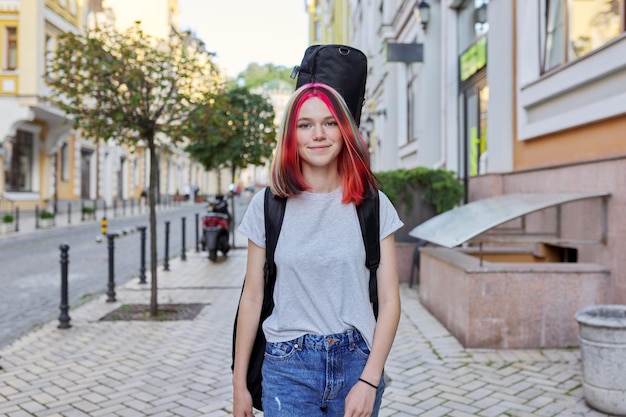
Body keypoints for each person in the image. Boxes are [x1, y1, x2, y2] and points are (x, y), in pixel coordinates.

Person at [233, 83, 403, 417]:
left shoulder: (373, 205)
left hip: (357, 362)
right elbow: (252, 298)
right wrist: (239, 383)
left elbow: (391, 301)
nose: (319, 134)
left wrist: (369, 381)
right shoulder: (267, 206)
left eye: (329, 123)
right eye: (305, 125)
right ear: (291, 135)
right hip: (287, 367)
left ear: (344, 130)